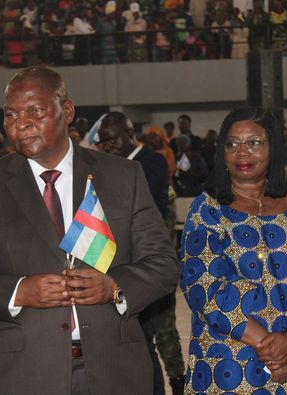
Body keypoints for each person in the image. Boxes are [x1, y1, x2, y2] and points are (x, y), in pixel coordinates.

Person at [0, 66, 179, 395]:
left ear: (66, 111)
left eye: (34, 111)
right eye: (10, 115)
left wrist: (113, 288)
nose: (21, 124)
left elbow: (163, 264)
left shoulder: (123, 176)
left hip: (115, 371)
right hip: (20, 375)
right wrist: (18, 292)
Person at [180, 107, 287, 394]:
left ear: (273, 149)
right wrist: (271, 347)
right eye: (232, 144)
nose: (242, 153)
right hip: (229, 364)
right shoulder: (207, 210)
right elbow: (204, 287)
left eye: (254, 143)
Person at [97, 113, 185, 395]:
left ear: (129, 133)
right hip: (115, 269)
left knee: (153, 339)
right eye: (103, 142)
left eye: (113, 138)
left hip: (147, 269)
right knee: (133, 342)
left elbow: (150, 216)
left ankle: (176, 384)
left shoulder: (151, 162)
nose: (108, 145)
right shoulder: (108, 167)